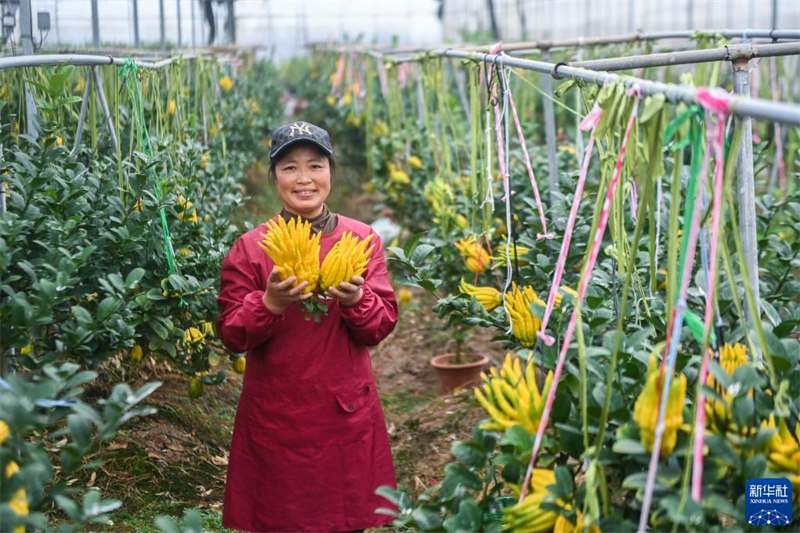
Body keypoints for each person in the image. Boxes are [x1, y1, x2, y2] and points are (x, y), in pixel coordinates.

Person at [216, 121, 398, 533]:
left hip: (343, 410)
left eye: (315, 166)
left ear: (331, 172)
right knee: (280, 519)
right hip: (277, 415)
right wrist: (270, 303)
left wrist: (356, 299)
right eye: (289, 168)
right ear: (274, 177)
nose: (304, 179)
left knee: (345, 518)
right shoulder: (251, 248)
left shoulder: (362, 240)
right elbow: (230, 333)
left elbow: (380, 324)